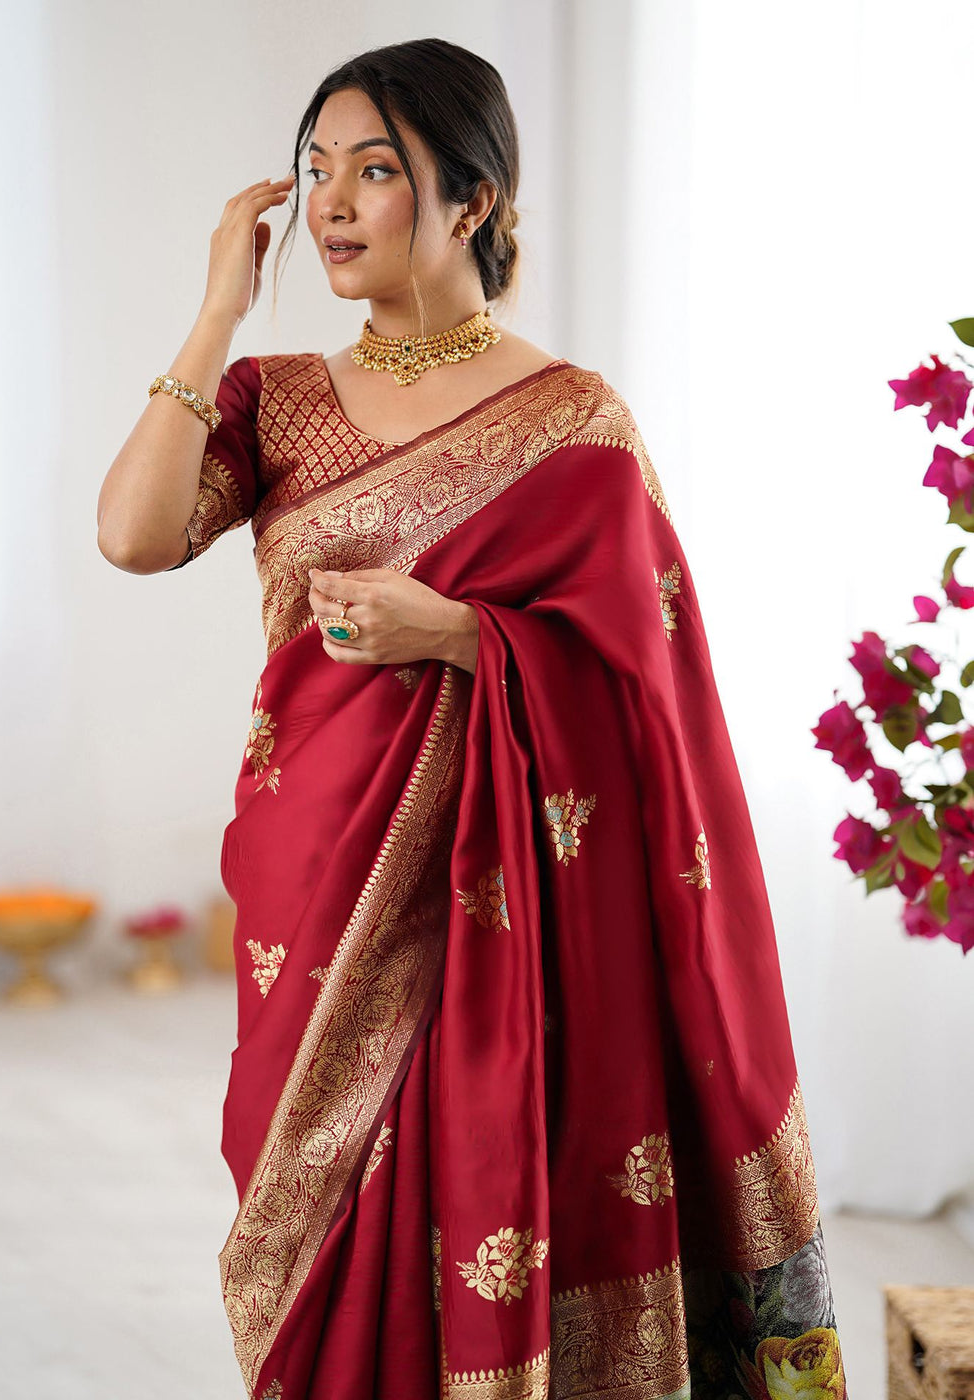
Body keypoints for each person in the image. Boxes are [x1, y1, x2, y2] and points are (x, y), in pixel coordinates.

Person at [97, 36, 848, 1400]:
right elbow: (134, 536)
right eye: (317, 167)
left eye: (375, 170)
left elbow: (654, 702)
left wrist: (462, 637)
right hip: (315, 890)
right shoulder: (276, 400)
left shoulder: (574, 427)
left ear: (472, 200)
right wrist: (214, 313)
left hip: (504, 907)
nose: (330, 201)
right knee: (320, 1235)